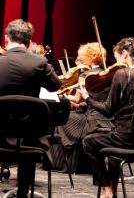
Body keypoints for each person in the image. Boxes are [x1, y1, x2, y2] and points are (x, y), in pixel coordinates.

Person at [0, 19, 62, 198]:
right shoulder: (39, 63)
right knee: (29, 132)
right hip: (28, 138)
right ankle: (23, 192)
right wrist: (44, 64)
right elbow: (55, 85)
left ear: (6, 39)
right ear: (29, 42)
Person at [80, 37, 134, 198]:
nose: (116, 61)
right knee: (112, 153)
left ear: (124, 54)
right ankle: (114, 190)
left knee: (88, 143)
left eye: (116, 57)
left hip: (127, 138)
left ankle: (107, 190)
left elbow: (108, 110)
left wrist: (87, 98)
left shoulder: (122, 74)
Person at [55, 42, 112, 173]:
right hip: (107, 117)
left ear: (90, 57)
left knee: (63, 119)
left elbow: (76, 99)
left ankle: (66, 163)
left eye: (83, 56)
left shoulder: (85, 76)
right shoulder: (108, 74)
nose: (81, 59)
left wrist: (61, 95)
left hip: (90, 118)